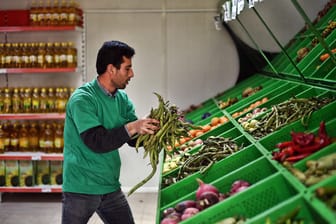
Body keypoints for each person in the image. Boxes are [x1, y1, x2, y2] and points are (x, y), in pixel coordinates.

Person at [61, 40, 160, 224]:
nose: (132, 74)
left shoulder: (121, 99)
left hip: (109, 185)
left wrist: (155, 131)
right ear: (111, 69)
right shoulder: (83, 100)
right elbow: (96, 141)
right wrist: (133, 126)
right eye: (127, 68)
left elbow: (133, 139)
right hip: (81, 187)